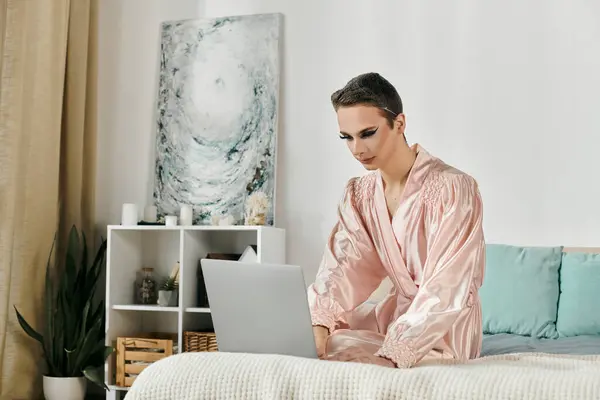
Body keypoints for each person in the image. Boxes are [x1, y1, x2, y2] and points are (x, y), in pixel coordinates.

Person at [307, 72, 485, 369]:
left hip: (446, 328)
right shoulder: (359, 195)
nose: (356, 149)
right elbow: (343, 268)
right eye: (346, 137)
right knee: (326, 344)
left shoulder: (455, 188)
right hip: (393, 318)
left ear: (399, 124)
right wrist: (318, 326)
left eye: (367, 133)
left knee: (346, 354)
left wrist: (394, 355)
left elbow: (447, 286)